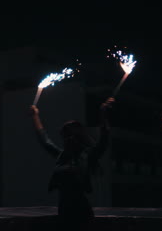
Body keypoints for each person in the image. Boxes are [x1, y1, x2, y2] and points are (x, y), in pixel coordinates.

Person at [30, 97, 115, 231]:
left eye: (70, 135)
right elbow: (45, 141)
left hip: (81, 212)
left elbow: (104, 139)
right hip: (64, 211)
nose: (67, 139)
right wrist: (35, 116)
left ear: (78, 137)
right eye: (65, 136)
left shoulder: (88, 156)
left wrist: (103, 113)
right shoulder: (62, 156)